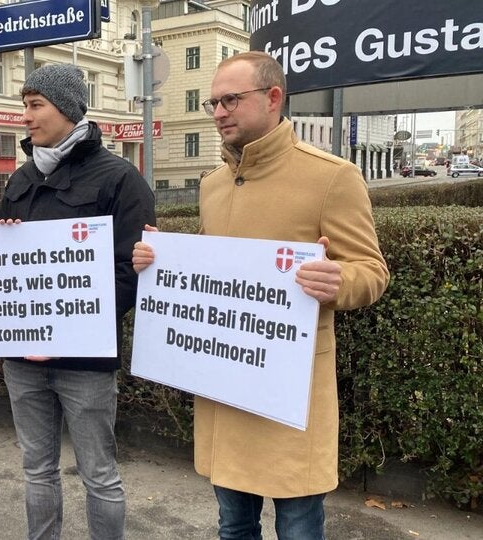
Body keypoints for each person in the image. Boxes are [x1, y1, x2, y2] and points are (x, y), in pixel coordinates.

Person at [132, 52, 389, 539]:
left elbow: (372, 271)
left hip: (292, 388)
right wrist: (157, 265)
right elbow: (210, 278)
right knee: (233, 525)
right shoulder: (211, 184)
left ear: (274, 98)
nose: (219, 112)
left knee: (297, 526)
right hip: (225, 382)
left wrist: (339, 282)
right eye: (213, 103)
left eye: (231, 99)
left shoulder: (332, 176)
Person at [0, 63, 156, 540]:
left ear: (66, 108)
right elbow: (2, 266)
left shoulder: (120, 178)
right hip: (22, 356)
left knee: (99, 475)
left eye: (35, 105)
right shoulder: (22, 177)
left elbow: (130, 274)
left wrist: (65, 333)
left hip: (85, 361)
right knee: (36, 470)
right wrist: (0, 241)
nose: (25, 116)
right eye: (24, 105)